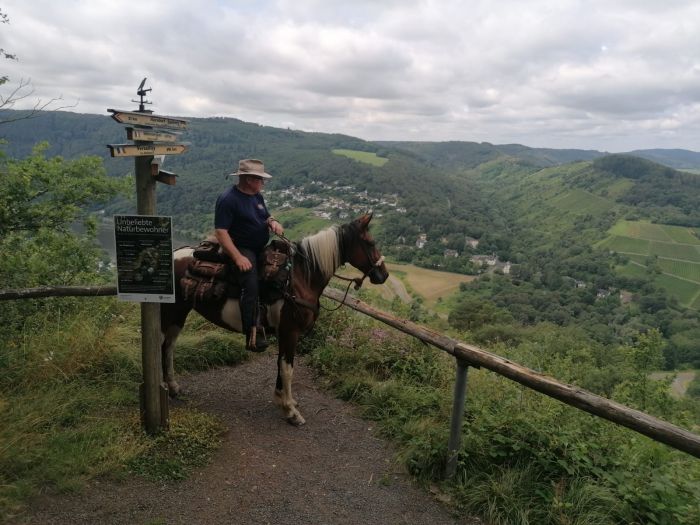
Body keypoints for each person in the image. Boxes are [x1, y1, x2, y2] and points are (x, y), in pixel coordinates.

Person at [214, 159, 284, 351]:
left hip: (258, 246)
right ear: (247, 179)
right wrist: (238, 257)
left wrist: (273, 222)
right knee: (251, 285)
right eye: (260, 179)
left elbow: (266, 216)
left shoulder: (256, 196)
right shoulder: (228, 199)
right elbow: (221, 232)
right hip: (240, 248)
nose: (263, 182)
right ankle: (252, 333)